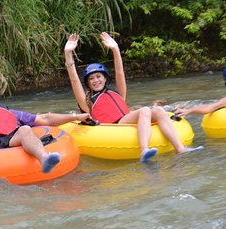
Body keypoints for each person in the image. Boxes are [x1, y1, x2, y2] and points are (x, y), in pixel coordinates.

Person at [64, 32, 200, 163]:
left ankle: (180, 148)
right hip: (113, 128)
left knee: (158, 111)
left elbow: (119, 72)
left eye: (99, 76)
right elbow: (74, 80)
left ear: (105, 78)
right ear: (88, 83)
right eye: (91, 79)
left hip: (127, 121)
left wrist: (115, 49)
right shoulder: (87, 102)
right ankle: (144, 150)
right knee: (145, 110)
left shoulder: (118, 94)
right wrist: (68, 53)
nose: (96, 80)